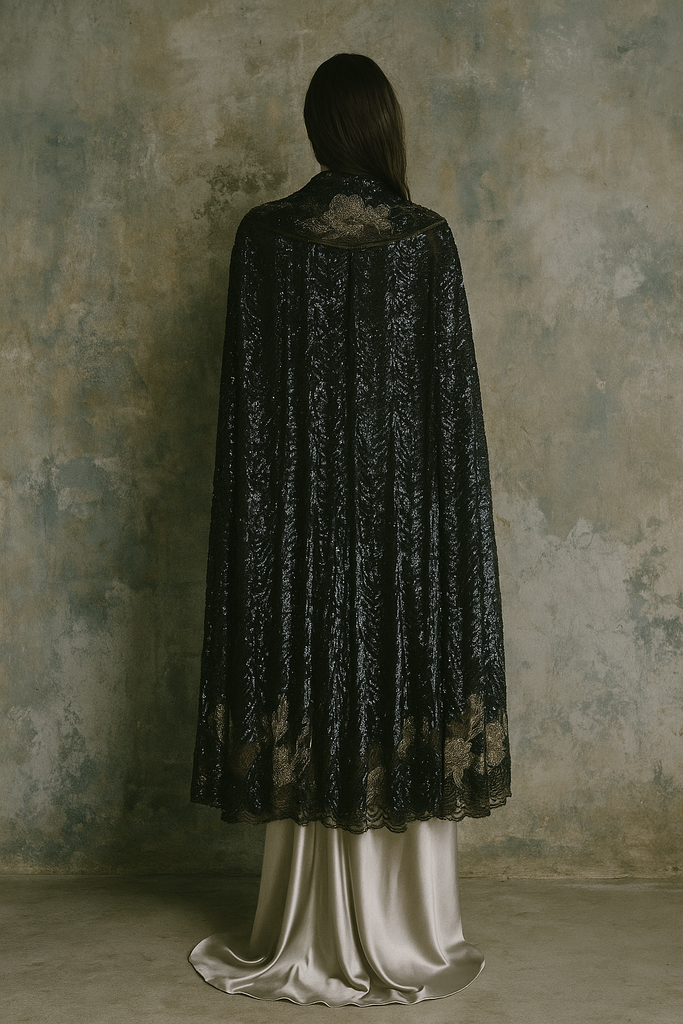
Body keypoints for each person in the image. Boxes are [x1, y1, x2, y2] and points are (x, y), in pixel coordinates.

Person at [189, 52, 511, 1006]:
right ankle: (411, 927)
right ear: (382, 126)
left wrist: (272, 542)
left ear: (315, 127)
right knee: (395, 681)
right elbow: (451, 426)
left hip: (298, 535)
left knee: (312, 680)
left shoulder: (264, 238)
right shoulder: (426, 242)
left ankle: (305, 925)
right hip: (405, 536)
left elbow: (249, 423)